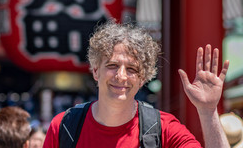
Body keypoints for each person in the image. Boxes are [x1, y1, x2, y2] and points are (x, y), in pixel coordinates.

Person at [43, 20, 230, 148]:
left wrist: (208, 111)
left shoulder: (162, 130)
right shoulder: (65, 127)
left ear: (143, 78)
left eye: (131, 69)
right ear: (95, 70)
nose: (121, 76)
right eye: (112, 65)